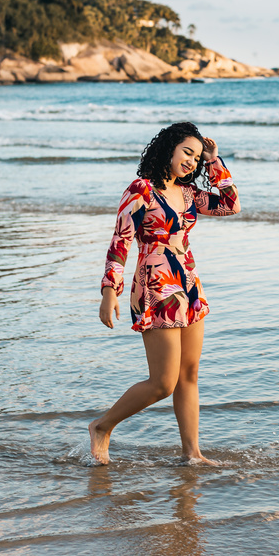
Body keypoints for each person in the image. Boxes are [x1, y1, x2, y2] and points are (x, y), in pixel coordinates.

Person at [88, 122, 240, 465]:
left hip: (189, 283)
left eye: (196, 157)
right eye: (187, 152)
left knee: (189, 374)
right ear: (168, 148)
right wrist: (110, 291)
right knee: (163, 383)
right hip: (156, 286)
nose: (191, 161)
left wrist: (214, 162)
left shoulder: (189, 193)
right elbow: (120, 241)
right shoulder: (141, 190)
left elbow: (231, 205)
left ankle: (192, 454)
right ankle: (102, 426)